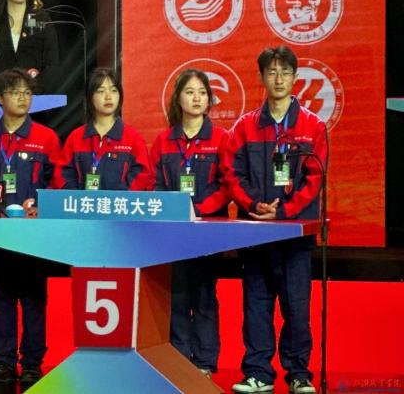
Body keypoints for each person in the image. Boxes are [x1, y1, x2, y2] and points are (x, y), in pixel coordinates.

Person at [222, 46, 327, 394]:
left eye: (285, 72)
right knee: (256, 305)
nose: (278, 78)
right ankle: (258, 374)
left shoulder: (313, 126)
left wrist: (283, 211)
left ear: (295, 77)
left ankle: (299, 374)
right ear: (261, 77)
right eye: (272, 72)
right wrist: (254, 204)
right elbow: (232, 173)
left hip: (295, 235)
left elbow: (314, 179)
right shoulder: (245, 126)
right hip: (256, 232)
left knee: (296, 307)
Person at [0, 68, 64, 388]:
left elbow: (58, 181)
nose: (23, 98)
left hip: (33, 234)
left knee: (34, 298)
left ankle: (32, 364)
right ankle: (3, 362)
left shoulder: (46, 138)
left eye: (27, 93)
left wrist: (43, 205)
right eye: (16, 92)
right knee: (0, 297)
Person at [149, 68, 230, 378]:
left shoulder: (221, 138)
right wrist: (173, 211)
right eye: (189, 92)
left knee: (205, 295)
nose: (196, 98)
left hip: (208, 231)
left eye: (202, 92)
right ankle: (180, 358)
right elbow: (155, 184)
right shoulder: (164, 141)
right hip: (173, 232)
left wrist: (200, 210)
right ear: (178, 99)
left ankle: (205, 361)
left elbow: (227, 184)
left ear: (209, 100)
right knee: (178, 295)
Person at [59, 67, 153, 191]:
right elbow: (63, 176)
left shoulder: (133, 139)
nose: (108, 97)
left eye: (114, 90)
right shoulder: (75, 138)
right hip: (84, 202)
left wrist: (118, 198)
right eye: (101, 91)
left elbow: (142, 176)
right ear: (90, 96)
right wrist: (79, 198)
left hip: (120, 202)